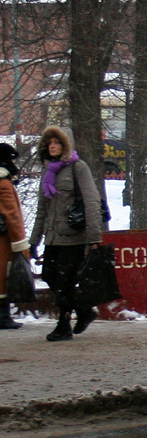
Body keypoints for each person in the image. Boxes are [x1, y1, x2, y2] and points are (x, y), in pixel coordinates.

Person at [29, 126, 104, 342]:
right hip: (53, 237)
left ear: (66, 145)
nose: (52, 146)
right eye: (49, 142)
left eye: (57, 142)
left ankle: (63, 324)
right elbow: (42, 210)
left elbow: (91, 202)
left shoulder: (78, 168)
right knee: (50, 276)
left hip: (74, 237)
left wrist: (94, 237)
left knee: (65, 281)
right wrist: (34, 241)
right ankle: (83, 310)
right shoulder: (48, 171)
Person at [0, 143, 31, 330]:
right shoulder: (4, 184)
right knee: (3, 277)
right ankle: (3, 316)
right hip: (4, 241)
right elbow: (12, 215)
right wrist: (20, 243)